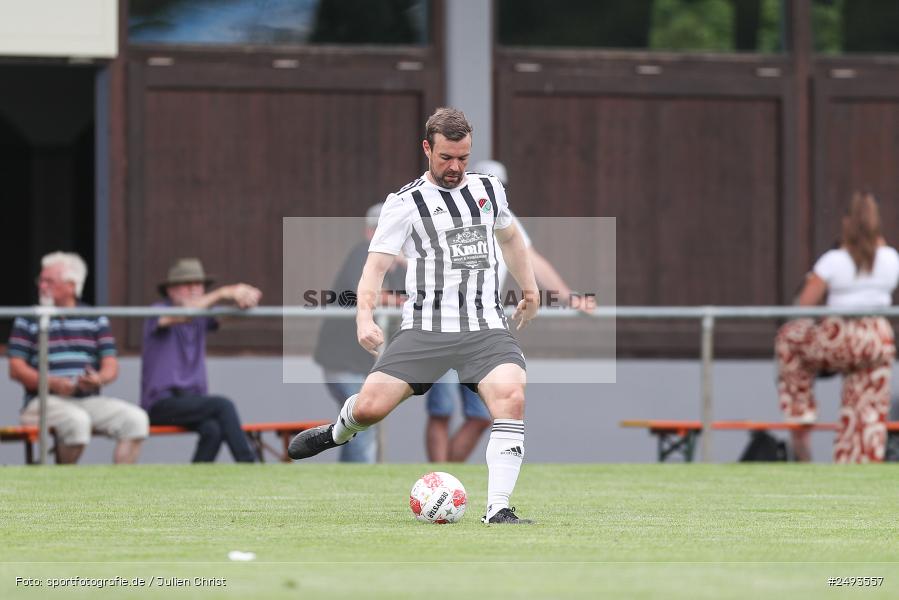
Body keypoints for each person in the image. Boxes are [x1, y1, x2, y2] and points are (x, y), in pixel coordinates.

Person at [289, 107, 539, 524]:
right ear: (427, 148)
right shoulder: (404, 203)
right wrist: (364, 318)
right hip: (426, 328)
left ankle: (498, 509)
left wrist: (529, 288)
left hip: (486, 328)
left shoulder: (489, 189)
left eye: (462, 157)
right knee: (370, 409)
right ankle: (337, 432)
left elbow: (511, 237)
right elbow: (375, 267)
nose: (455, 167)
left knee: (511, 399)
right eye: (446, 158)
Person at [425, 159, 597, 463]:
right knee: (442, 410)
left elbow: (532, 260)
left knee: (481, 414)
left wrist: (569, 298)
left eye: (499, 185)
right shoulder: (452, 209)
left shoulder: (504, 216)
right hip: (443, 321)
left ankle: (446, 479)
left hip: (483, 326)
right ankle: (437, 478)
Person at [776, 192, 899, 463]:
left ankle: (801, 410)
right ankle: (858, 459)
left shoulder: (834, 260)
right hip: (878, 338)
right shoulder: (890, 258)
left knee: (789, 337)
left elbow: (803, 305)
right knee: (865, 412)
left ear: (846, 223)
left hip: (842, 334)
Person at [7, 252, 148, 464]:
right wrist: (51, 383)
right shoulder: (29, 318)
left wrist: (97, 379)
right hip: (43, 402)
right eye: (41, 280)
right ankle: (64, 483)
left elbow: (111, 365)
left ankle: (121, 488)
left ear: (72, 286)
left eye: (49, 281)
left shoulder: (94, 317)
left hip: (87, 399)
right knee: (77, 422)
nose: (42, 286)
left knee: (136, 420)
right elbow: (15, 368)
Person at [141, 258, 260, 463]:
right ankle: (249, 466)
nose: (195, 289)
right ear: (170, 290)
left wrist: (245, 301)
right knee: (223, 405)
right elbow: (184, 315)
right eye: (187, 285)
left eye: (199, 284)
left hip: (192, 400)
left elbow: (228, 316)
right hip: (161, 403)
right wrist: (224, 292)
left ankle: (192, 485)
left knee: (213, 429)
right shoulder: (158, 310)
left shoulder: (202, 316)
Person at [313, 204, 406, 463]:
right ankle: (354, 482)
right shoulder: (362, 253)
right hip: (342, 362)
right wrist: (401, 301)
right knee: (362, 423)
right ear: (370, 232)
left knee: (358, 424)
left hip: (361, 363)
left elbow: (409, 295)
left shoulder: (396, 266)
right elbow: (362, 292)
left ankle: (349, 482)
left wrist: (405, 264)